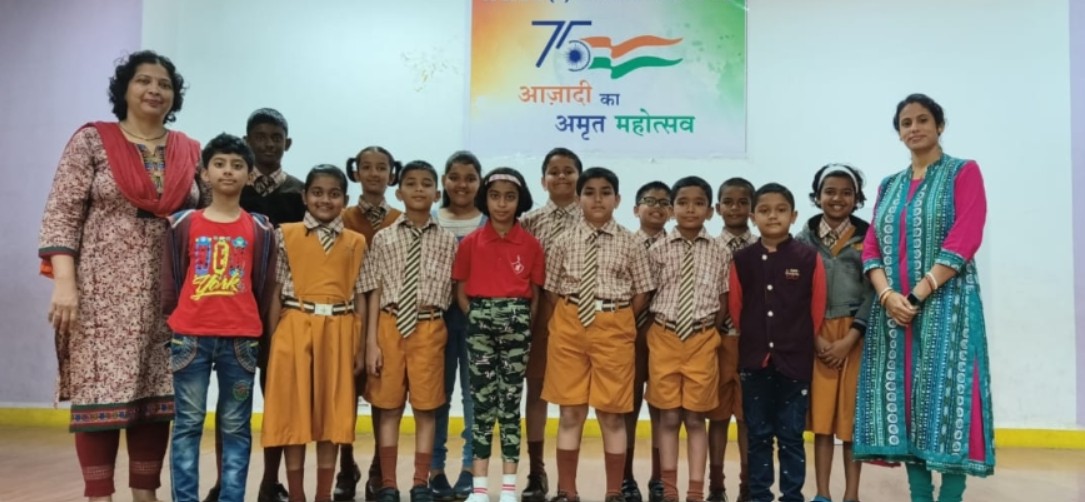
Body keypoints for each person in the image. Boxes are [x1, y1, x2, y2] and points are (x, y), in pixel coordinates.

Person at [38, 49, 200, 502]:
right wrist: (65, 285)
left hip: (168, 294)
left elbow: (208, 218)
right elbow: (61, 214)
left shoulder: (189, 150)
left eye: (164, 84)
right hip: (100, 293)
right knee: (100, 392)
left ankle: (145, 494)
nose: (154, 90)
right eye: (143, 81)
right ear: (124, 89)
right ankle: (99, 495)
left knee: (157, 393)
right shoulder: (93, 141)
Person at [853, 93, 994, 502]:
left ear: (939, 126)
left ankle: (950, 497)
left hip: (948, 307)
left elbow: (966, 236)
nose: (914, 128)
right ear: (899, 133)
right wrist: (887, 296)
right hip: (894, 312)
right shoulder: (890, 185)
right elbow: (871, 247)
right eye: (906, 123)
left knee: (948, 401)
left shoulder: (963, 172)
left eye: (922, 120)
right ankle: (919, 496)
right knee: (906, 404)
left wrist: (916, 295)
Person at [163, 133, 278, 502]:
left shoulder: (260, 229)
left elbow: (262, 284)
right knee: (188, 424)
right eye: (219, 164)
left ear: (249, 175)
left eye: (237, 165)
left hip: (240, 341)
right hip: (190, 338)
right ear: (204, 173)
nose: (228, 171)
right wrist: (177, 320)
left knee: (236, 426)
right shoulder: (183, 223)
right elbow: (172, 280)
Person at [204, 107, 304, 502]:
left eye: (276, 137)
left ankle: (270, 482)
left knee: (278, 401)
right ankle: (223, 483)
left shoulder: (301, 194)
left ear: (287, 143)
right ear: (247, 141)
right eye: (259, 136)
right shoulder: (231, 190)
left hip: (285, 311)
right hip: (234, 308)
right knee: (231, 402)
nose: (268, 144)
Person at [542, 167, 655, 502]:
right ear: (578, 198)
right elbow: (551, 289)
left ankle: (613, 492)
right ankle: (567, 491)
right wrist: (575, 312)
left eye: (605, 192)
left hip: (614, 325)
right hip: (570, 324)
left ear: (617, 199)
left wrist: (617, 316)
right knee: (571, 412)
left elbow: (642, 291)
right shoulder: (563, 241)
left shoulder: (630, 242)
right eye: (589, 192)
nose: (597, 199)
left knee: (611, 413)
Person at [261, 165, 369, 502]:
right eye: (318, 193)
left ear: (345, 199)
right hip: (295, 325)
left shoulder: (356, 242)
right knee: (293, 416)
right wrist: (271, 342)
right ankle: (297, 495)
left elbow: (361, 297)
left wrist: (360, 348)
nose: (325, 200)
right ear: (305, 197)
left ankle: (323, 494)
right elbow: (276, 292)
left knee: (331, 417)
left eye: (334, 194)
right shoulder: (286, 234)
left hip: (339, 330)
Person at [361, 161, 458, 502]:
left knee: (426, 408)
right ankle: (388, 483)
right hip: (388, 324)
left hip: (429, 327)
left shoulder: (448, 241)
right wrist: (371, 342)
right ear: (398, 192)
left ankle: (420, 482)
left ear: (437, 193)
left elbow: (454, 290)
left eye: (426, 184)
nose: (419, 189)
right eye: (411, 183)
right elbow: (373, 291)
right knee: (388, 408)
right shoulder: (383, 238)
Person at [452, 167, 545, 502]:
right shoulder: (471, 243)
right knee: (481, 406)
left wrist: (518, 323)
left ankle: (507, 488)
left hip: (516, 330)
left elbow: (534, 296)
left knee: (509, 406)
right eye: (494, 196)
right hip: (480, 328)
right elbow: (461, 290)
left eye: (509, 197)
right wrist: (478, 316)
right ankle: (479, 488)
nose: (502, 204)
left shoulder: (531, 245)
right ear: (485, 199)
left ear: (520, 201)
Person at [729, 183, 826, 502]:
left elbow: (816, 310)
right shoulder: (742, 260)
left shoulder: (808, 258)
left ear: (793, 215)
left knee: (791, 435)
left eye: (781, 210)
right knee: (758, 434)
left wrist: (796, 341)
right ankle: (759, 495)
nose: (773, 216)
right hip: (754, 361)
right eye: (765, 210)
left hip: (794, 362)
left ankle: (792, 496)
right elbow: (737, 309)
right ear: (753, 216)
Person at [645, 176, 731, 502]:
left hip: (702, 339)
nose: (690, 209)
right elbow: (649, 294)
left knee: (696, 418)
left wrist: (707, 330)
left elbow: (723, 299)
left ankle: (696, 490)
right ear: (671, 209)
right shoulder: (657, 250)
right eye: (682, 203)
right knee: (668, 416)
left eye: (698, 203)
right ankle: (669, 489)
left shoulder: (721, 251)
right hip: (664, 337)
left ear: (710, 211)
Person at [795, 164, 872, 502]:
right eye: (829, 191)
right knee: (822, 422)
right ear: (817, 197)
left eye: (846, 192)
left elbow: (874, 291)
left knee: (851, 422)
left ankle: (851, 494)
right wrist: (816, 338)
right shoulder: (802, 240)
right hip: (817, 336)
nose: (837, 198)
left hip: (855, 336)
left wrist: (851, 338)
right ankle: (823, 493)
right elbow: (796, 294)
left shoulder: (869, 238)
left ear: (857, 199)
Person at [336, 145, 404, 502]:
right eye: (367, 167)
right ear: (356, 171)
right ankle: (346, 465)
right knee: (345, 395)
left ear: (392, 174)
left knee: (384, 396)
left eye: (382, 167)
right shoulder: (341, 216)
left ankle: (379, 467)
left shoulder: (401, 219)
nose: (374, 173)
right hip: (346, 316)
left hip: (388, 319)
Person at [518, 147, 584, 502]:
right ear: (543, 180)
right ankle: (536, 470)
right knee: (538, 390)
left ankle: (568, 481)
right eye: (554, 171)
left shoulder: (591, 217)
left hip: (579, 312)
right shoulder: (529, 222)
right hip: (540, 311)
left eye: (568, 171)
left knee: (574, 400)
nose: (561, 177)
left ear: (579, 177)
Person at [431, 151, 487, 501]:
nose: (462, 184)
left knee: (474, 397)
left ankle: (469, 468)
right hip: (434, 320)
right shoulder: (431, 220)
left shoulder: (489, 222)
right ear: (444, 181)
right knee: (436, 395)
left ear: (480, 182)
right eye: (454, 177)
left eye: (470, 178)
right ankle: (435, 469)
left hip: (477, 320)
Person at [707, 177, 757, 502]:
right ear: (717, 208)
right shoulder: (709, 248)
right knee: (718, 416)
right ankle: (716, 485)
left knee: (748, 418)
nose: (735, 208)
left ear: (752, 209)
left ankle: (747, 485)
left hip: (753, 344)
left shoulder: (763, 248)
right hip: (718, 341)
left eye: (742, 202)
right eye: (728, 202)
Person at [624, 181, 672, 502]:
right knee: (626, 408)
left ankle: (659, 479)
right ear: (635, 208)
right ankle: (625, 477)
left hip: (665, 336)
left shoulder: (679, 246)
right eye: (649, 200)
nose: (656, 207)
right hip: (628, 334)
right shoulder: (624, 244)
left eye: (664, 202)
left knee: (662, 409)